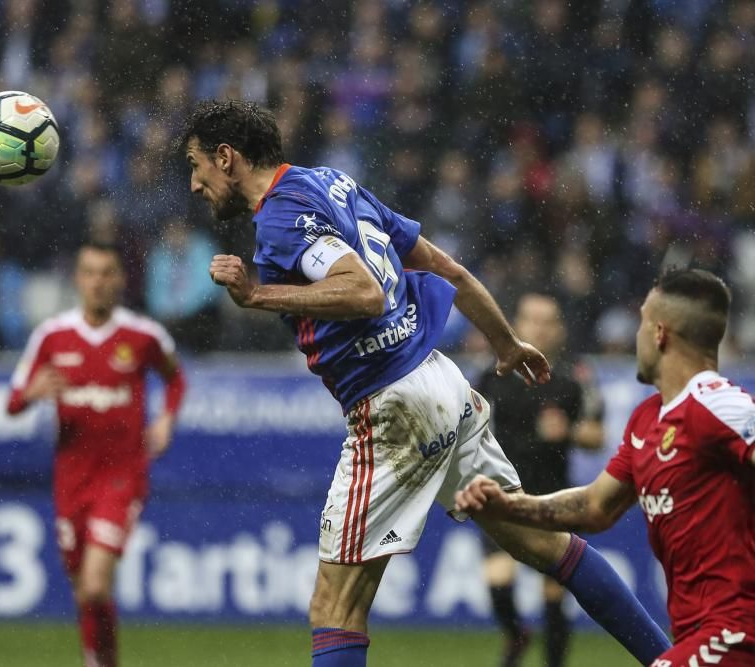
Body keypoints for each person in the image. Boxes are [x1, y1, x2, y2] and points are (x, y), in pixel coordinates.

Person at [180, 100, 670, 666]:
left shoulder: (280, 217)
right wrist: (504, 342)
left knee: (334, 607)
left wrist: (257, 295)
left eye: (196, 166)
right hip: (441, 380)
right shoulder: (335, 184)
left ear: (226, 157)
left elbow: (364, 291)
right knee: (541, 541)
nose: (195, 184)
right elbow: (446, 268)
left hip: (393, 404)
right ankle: (667, 660)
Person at [456, 268, 755, 667]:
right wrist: (509, 507)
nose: (636, 336)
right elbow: (595, 507)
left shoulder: (716, 404)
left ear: (660, 334)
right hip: (698, 634)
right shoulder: (649, 420)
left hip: (736, 632)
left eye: (643, 323)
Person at [7, 242, 186, 667]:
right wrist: (32, 394)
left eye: (107, 273)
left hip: (122, 476)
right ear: (77, 279)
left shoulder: (143, 336)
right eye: (90, 272)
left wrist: (165, 419)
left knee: (93, 585)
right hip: (70, 477)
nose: (98, 282)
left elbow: (176, 381)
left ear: (120, 280)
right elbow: (12, 403)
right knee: (83, 591)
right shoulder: (51, 336)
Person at [476, 292, 604, 667]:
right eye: (532, 319)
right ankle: (516, 634)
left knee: (555, 592)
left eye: (548, 321)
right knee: (499, 585)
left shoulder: (575, 377)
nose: (540, 328)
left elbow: (596, 436)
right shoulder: (493, 373)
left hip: (555, 496)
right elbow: (470, 426)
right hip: (504, 495)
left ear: (560, 328)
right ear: (516, 324)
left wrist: (569, 431)